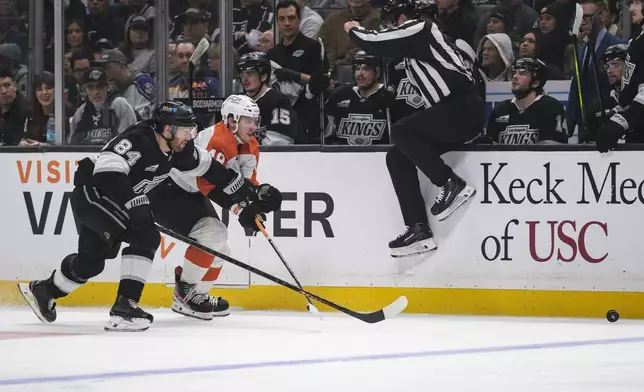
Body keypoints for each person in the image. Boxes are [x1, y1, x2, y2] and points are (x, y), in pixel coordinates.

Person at [17, 101, 261, 332]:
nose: (191, 137)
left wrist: (251, 194)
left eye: (192, 130)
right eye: (186, 131)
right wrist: (135, 201)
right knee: (146, 236)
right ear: (168, 129)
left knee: (92, 262)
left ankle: (45, 290)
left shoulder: (180, 149)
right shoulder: (138, 139)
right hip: (94, 194)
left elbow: (213, 170)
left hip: (112, 202)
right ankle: (125, 309)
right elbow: (106, 173)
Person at [344, 0, 484, 258]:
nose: (389, 27)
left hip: (463, 108)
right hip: (454, 113)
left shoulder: (422, 28)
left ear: (402, 18)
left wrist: (354, 28)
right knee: (397, 156)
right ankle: (418, 227)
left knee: (401, 132)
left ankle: (450, 183)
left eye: (391, 21)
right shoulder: (418, 47)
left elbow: (373, 42)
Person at [149, 94, 283, 320]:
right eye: (248, 120)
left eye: (255, 120)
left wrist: (258, 201)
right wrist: (240, 209)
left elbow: (245, 184)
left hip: (190, 192)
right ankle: (185, 293)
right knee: (214, 234)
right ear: (231, 120)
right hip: (168, 190)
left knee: (222, 248)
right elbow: (207, 182)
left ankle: (197, 295)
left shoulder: (250, 145)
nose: (254, 126)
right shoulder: (218, 140)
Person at [596, 0, 644, 152]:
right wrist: (619, 110)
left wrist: (622, 120)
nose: (631, 8)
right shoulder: (637, 40)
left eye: (637, 3)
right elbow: (633, 87)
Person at [485, 58, 568, 144]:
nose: (515, 76)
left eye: (522, 73)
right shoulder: (500, 110)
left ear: (535, 83)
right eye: (515, 73)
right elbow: (490, 147)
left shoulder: (550, 107)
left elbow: (556, 148)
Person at [237, 51, 299, 145]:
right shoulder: (237, 101)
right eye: (242, 74)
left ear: (263, 76)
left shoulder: (278, 101)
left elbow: (278, 144)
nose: (245, 79)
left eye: (250, 73)